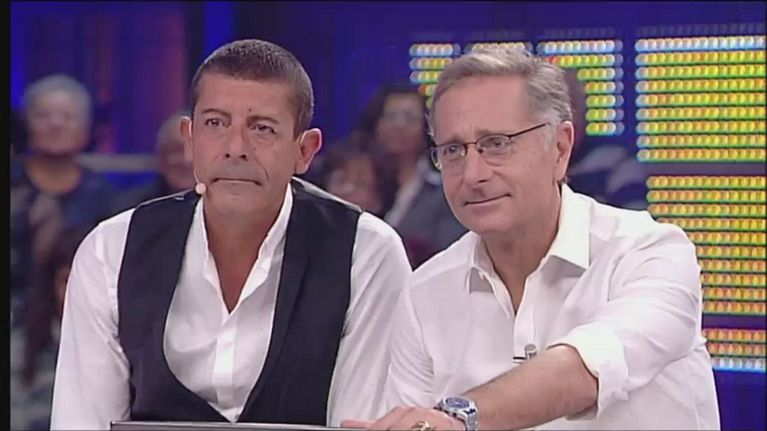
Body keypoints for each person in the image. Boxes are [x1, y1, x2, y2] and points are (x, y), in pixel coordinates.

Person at [343, 49, 719, 430]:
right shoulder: (425, 293)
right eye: (453, 150)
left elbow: (587, 370)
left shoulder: (650, 254)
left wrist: (458, 418)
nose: (472, 174)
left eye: (497, 143)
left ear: (560, 149)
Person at [51, 39, 412, 429]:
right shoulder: (112, 250)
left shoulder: (365, 253)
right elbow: (82, 421)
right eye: (215, 124)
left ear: (305, 151)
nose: (235, 148)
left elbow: (359, 423)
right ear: (190, 139)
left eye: (262, 129)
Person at [10, 74, 115, 318]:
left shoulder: (104, 195)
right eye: (42, 116)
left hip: (80, 317)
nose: (55, 124)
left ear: (86, 129)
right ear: (26, 124)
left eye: (68, 117)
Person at [356, 84, 466, 260]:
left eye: (409, 117)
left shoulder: (444, 190)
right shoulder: (356, 181)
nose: (400, 125)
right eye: (391, 116)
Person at [11, 225, 92, 430]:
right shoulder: (23, 343)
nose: (76, 290)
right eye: (67, 280)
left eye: (85, 279)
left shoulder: (126, 339)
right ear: (52, 281)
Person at [563, 69, 648, 210]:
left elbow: (635, 219)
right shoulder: (533, 166)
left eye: (572, 107)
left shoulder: (618, 162)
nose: (566, 118)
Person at [110, 110, 196, 214]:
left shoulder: (214, 210)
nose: (186, 161)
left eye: (195, 150)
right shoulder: (132, 209)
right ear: (161, 157)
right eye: (176, 150)